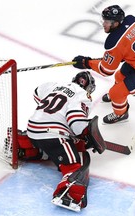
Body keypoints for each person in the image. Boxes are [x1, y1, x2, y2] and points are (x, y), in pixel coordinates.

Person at [15, 71, 106, 211]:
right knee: (75, 164)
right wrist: (86, 134)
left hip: (33, 128)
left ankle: (23, 146)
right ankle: (69, 192)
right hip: (53, 134)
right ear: (89, 88)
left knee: (48, 148)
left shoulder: (55, 85)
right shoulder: (83, 95)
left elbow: (36, 93)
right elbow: (76, 122)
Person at [72, 5, 135, 124]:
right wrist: (123, 53)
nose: (104, 24)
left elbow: (106, 70)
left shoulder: (114, 42)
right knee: (119, 76)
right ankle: (118, 98)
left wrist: (86, 63)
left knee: (116, 93)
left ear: (116, 23)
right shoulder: (133, 20)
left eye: (107, 21)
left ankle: (121, 114)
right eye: (103, 20)